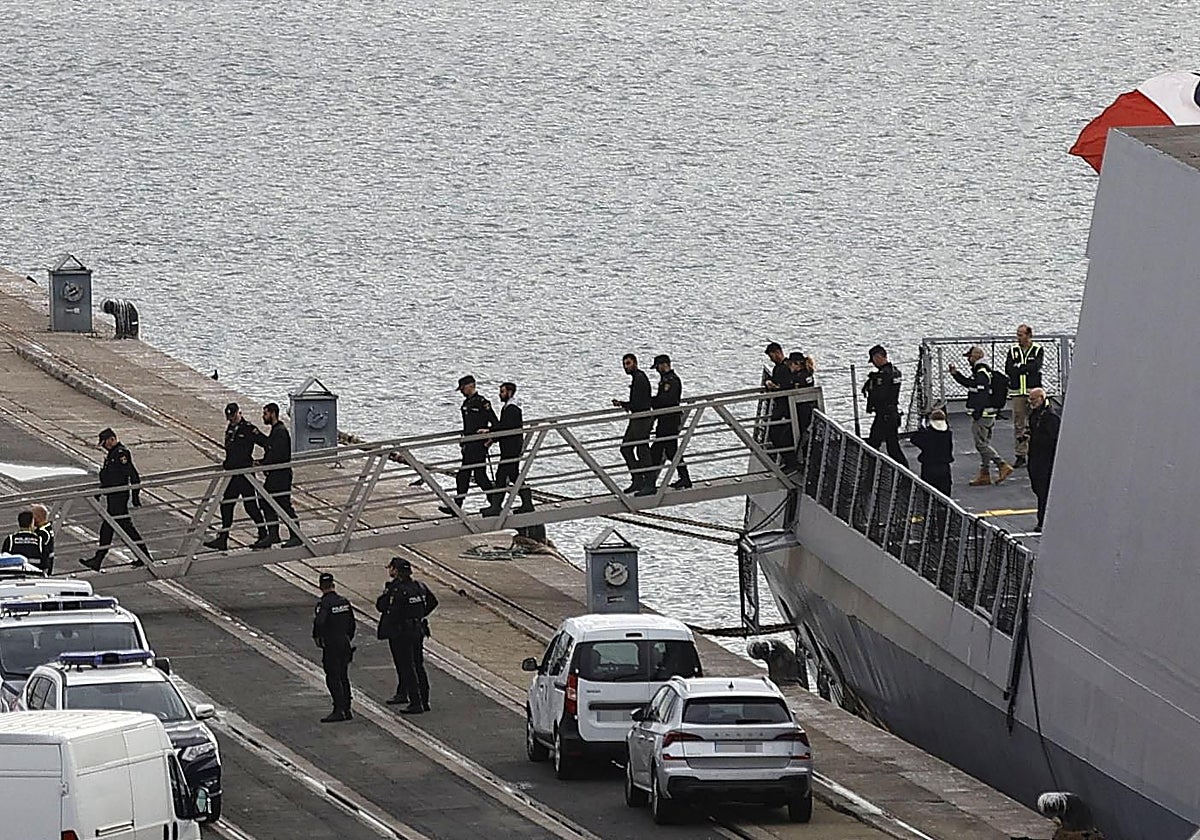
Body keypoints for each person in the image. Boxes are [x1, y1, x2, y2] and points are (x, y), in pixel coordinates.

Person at [81, 428, 150, 571]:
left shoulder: (121, 454)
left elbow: (132, 475)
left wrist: (135, 496)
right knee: (112, 527)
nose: (105, 447)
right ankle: (98, 560)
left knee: (120, 527)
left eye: (105, 443)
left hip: (119, 496)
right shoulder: (112, 454)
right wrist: (101, 491)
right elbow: (109, 477)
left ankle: (144, 557)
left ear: (112, 439)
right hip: (112, 496)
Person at [376, 556, 438, 714]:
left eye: (391, 568)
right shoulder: (419, 586)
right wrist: (419, 615)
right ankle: (422, 699)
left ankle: (415, 702)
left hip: (401, 632)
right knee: (418, 664)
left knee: (406, 666)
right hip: (418, 629)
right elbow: (432, 602)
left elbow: (384, 607)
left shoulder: (397, 590)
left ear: (396, 571)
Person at [203, 403, 267, 551]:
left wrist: (264, 462)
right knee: (226, 504)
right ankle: (223, 537)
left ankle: (263, 533)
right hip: (232, 474)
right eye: (229, 417)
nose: (231, 419)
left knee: (250, 506)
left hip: (245, 475)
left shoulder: (248, 429)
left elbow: (266, 442)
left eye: (233, 416)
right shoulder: (230, 429)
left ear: (239, 413)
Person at [949, 346, 1013, 486]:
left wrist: (977, 412)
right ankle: (985, 474)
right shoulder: (982, 372)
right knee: (985, 443)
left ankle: (1002, 465)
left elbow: (981, 394)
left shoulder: (981, 374)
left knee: (981, 445)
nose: (968, 360)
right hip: (989, 413)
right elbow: (970, 384)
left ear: (976, 357)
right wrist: (956, 374)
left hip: (983, 415)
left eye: (970, 357)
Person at [440, 375, 499, 515]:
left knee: (467, 475)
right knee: (476, 476)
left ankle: (459, 506)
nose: (461, 391)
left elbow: (496, 423)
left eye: (463, 388)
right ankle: (494, 504)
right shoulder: (466, 403)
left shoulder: (482, 403)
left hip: (478, 445)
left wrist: (490, 436)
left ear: (471, 385)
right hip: (469, 444)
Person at [253, 402, 303, 549]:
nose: (263, 416)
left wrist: (264, 463)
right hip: (275, 475)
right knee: (266, 502)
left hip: (281, 475)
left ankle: (295, 535)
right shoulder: (275, 430)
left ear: (273, 413)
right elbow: (271, 450)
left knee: (283, 504)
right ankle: (273, 534)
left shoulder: (280, 432)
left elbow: (278, 454)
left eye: (265, 413)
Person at [641, 354, 691, 494]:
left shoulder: (671, 381)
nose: (657, 370)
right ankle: (684, 478)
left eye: (658, 367)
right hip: (666, 420)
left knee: (657, 452)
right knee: (671, 451)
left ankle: (650, 484)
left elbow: (666, 400)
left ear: (665, 365)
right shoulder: (666, 380)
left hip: (668, 421)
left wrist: (651, 401)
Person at [483, 382, 534, 515]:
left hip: (511, 448)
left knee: (502, 476)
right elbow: (505, 427)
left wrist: (490, 431)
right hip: (511, 446)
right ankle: (526, 503)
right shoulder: (510, 407)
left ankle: (496, 507)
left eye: (502, 392)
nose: (500, 395)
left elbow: (506, 427)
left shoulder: (512, 409)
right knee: (513, 475)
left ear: (509, 392)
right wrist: (493, 439)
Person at [312, 571, 356, 723]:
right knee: (343, 675)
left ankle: (338, 709)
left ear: (320, 586)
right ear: (333, 585)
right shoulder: (344, 602)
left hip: (332, 644)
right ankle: (347, 708)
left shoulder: (324, 604)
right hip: (344, 642)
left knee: (333, 677)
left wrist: (318, 638)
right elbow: (352, 624)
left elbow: (319, 622)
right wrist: (347, 638)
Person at [862, 345, 910, 468]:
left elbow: (879, 396)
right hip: (891, 412)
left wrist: (872, 385)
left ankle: (873, 469)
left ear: (878, 357)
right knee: (889, 445)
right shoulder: (895, 372)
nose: (874, 364)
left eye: (874, 360)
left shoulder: (883, 376)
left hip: (885, 414)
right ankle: (901, 470)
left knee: (884, 446)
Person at [612, 354, 653, 493]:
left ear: (635, 363)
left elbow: (639, 403)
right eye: (624, 364)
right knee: (626, 448)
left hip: (642, 418)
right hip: (637, 417)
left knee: (642, 449)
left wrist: (624, 404)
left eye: (628, 363)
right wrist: (624, 404)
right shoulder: (637, 378)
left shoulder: (640, 378)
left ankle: (648, 482)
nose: (626, 367)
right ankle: (637, 479)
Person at [1005, 324, 1044, 469]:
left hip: (1032, 390)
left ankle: (1035, 451)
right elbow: (1009, 369)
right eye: (1017, 334)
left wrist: (1020, 367)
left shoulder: (1037, 349)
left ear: (1029, 335)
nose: (1018, 337)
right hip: (1017, 392)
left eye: (1021, 335)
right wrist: (1024, 368)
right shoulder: (1013, 350)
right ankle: (1020, 454)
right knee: (1019, 423)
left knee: (1035, 421)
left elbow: (1036, 367)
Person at [1026, 388, 1060, 532]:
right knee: (1038, 489)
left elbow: (1053, 440)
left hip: (1045, 460)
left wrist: (1036, 439)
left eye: (1033, 399)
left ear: (1041, 398)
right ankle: (1044, 519)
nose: (1031, 402)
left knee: (1043, 491)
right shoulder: (1036, 415)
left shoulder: (1050, 417)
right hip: (1036, 457)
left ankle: (1042, 520)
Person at [763, 342, 794, 467]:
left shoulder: (786, 368)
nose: (771, 359)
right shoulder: (778, 368)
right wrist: (769, 383)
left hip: (786, 406)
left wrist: (775, 387)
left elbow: (787, 386)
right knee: (774, 432)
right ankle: (787, 459)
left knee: (778, 433)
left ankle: (790, 460)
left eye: (772, 356)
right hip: (780, 405)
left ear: (778, 353)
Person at [910, 408, 954, 496]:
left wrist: (922, 429)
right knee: (945, 493)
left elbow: (914, 439)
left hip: (929, 466)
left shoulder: (928, 434)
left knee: (928, 492)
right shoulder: (948, 434)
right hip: (944, 467)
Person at [30, 504, 54, 575]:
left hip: (42, 569)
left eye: (32, 516)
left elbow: (38, 549)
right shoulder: (47, 528)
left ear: (38, 517)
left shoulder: (43, 533)